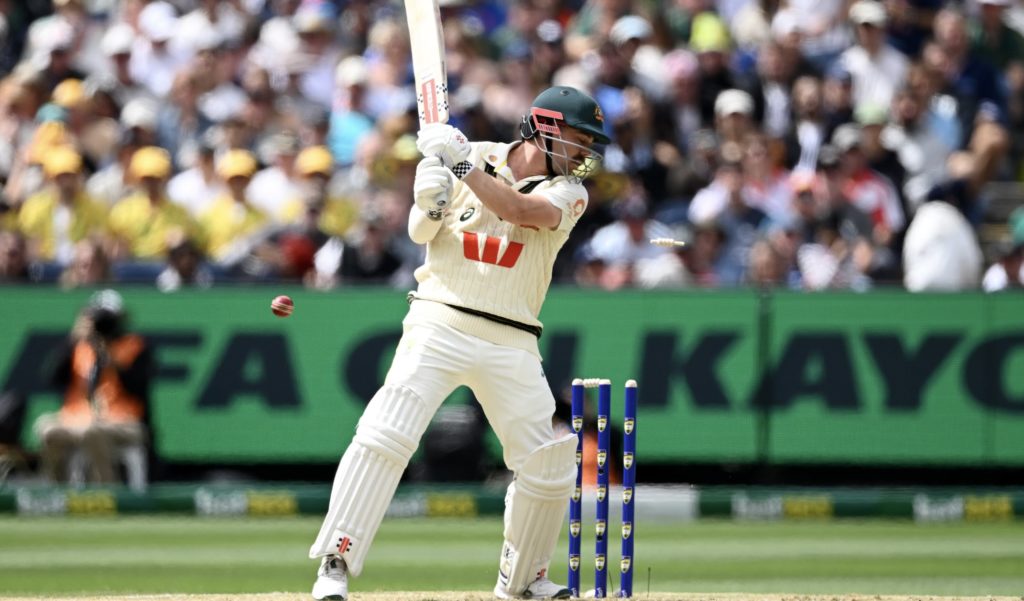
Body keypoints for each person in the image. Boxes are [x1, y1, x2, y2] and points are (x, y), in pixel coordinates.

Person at [308, 86, 609, 601]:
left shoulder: (568, 193)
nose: (585, 156)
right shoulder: (466, 153)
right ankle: (335, 563)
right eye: (580, 141)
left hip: (511, 335)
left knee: (550, 458)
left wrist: (460, 168)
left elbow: (519, 210)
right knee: (386, 433)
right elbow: (421, 231)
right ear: (546, 127)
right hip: (440, 318)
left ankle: (525, 578)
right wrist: (429, 199)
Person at [34, 290, 153, 486]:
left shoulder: (134, 345)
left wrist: (111, 357)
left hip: (123, 421)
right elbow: (52, 377)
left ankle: (107, 492)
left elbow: (139, 387)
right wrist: (73, 339)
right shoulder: (79, 346)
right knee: (47, 429)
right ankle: (57, 491)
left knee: (94, 432)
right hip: (78, 418)